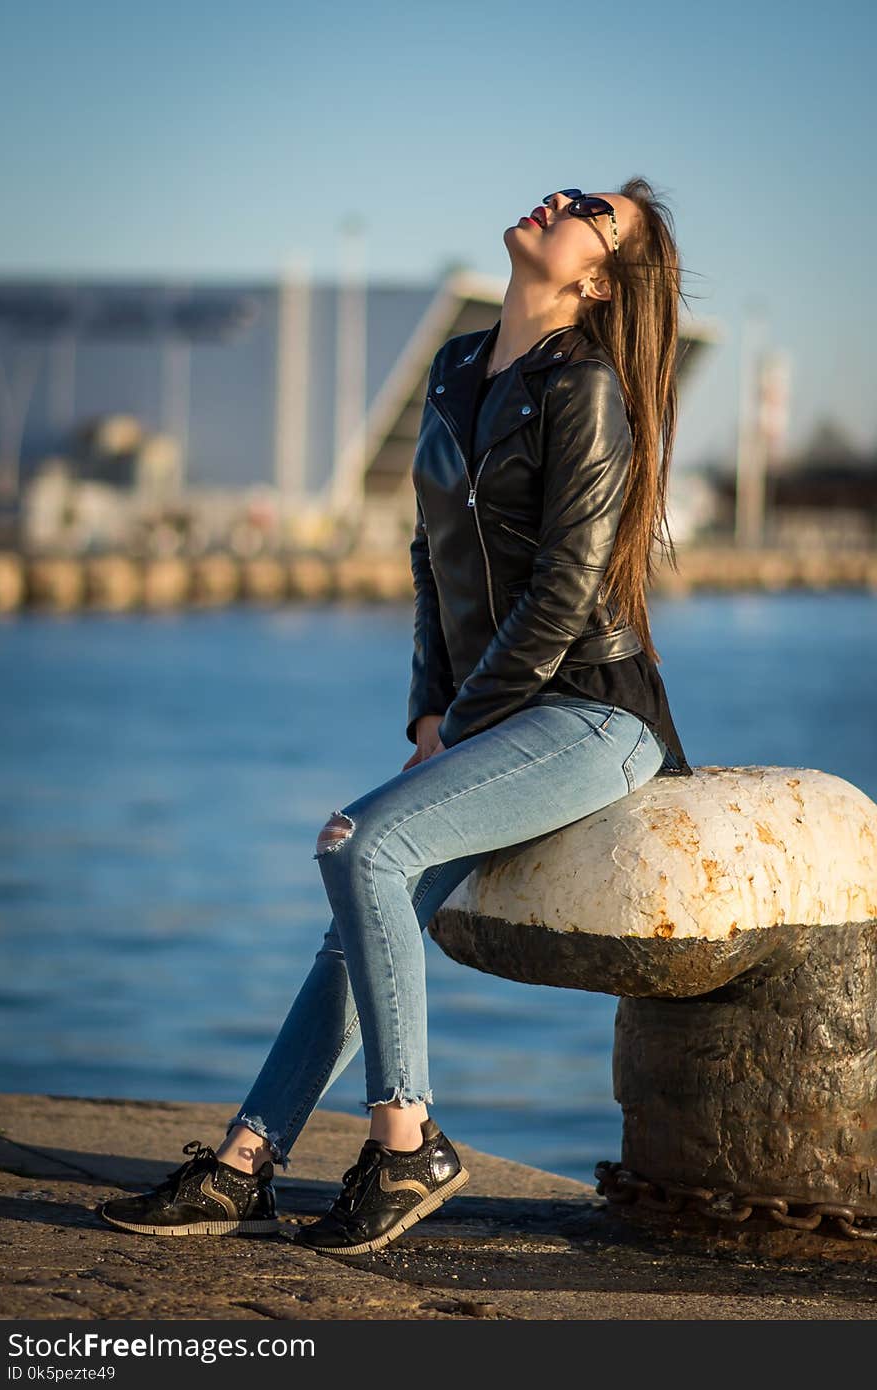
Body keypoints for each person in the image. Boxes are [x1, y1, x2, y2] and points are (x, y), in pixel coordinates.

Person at [100, 178, 694, 1255]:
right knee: (358, 919)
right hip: (488, 708)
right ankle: (244, 1164)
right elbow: (433, 557)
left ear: (599, 277)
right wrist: (430, 705)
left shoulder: (587, 386)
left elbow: (565, 591)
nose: (554, 200)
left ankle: (406, 1138)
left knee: (358, 842)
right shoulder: (457, 365)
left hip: (592, 716)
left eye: (586, 211)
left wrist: (464, 719)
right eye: (562, 188)